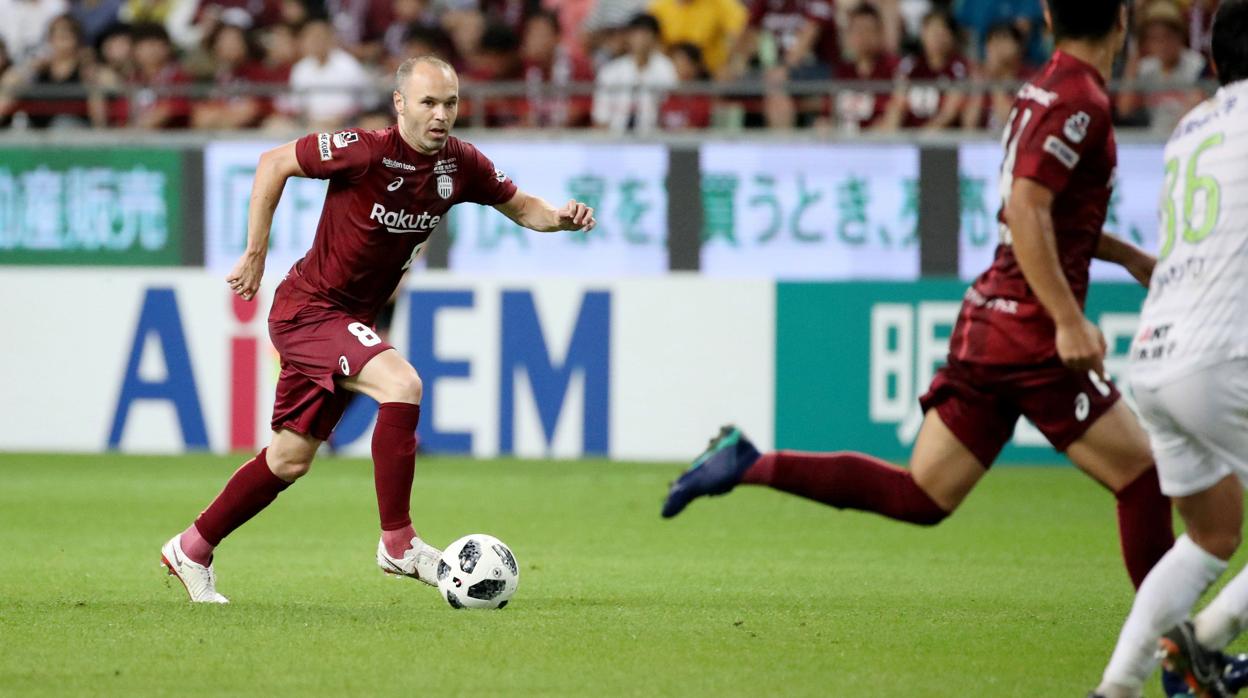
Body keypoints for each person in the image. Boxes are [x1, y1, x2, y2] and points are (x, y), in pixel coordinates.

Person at [664, 0, 1177, 605]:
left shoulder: (1043, 89)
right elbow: (1024, 210)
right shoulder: (1081, 101)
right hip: (1032, 332)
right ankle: (1175, 654)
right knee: (1143, 479)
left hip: (990, 322)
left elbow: (1031, 210)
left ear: (1045, 17)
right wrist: (1067, 319)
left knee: (922, 496)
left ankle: (747, 464)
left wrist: (1130, 258)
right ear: (1124, 20)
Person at [159, 55, 597, 603]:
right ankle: (398, 542)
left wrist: (560, 217)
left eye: (451, 103)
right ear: (400, 104)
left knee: (289, 459)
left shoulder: (460, 164)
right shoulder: (364, 151)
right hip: (309, 310)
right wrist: (255, 254)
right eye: (429, 103)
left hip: (347, 319)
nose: (442, 115)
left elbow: (523, 206)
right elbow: (273, 162)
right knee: (402, 384)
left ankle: (191, 547)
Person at [1093, 1, 1248, 696]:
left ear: (1214, 63)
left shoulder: (1190, 127)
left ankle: (1115, 689)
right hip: (1221, 355)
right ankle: (1201, 644)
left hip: (1155, 355)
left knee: (1211, 535)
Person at [880, 8, 970, 131]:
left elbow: (949, 112)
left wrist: (925, 135)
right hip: (907, 136)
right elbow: (898, 104)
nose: (936, 38)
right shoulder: (909, 66)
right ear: (923, 33)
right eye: (931, 31)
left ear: (951, 36)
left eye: (941, 32)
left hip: (943, 139)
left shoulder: (958, 68)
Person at [592, 12, 676, 134]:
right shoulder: (611, 71)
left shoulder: (666, 68)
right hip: (615, 139)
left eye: (646, 34)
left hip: (654, 139)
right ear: (628, 37)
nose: (641, 39)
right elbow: (600, 117)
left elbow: (670, 111)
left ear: (656, 38)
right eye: (636, 33)